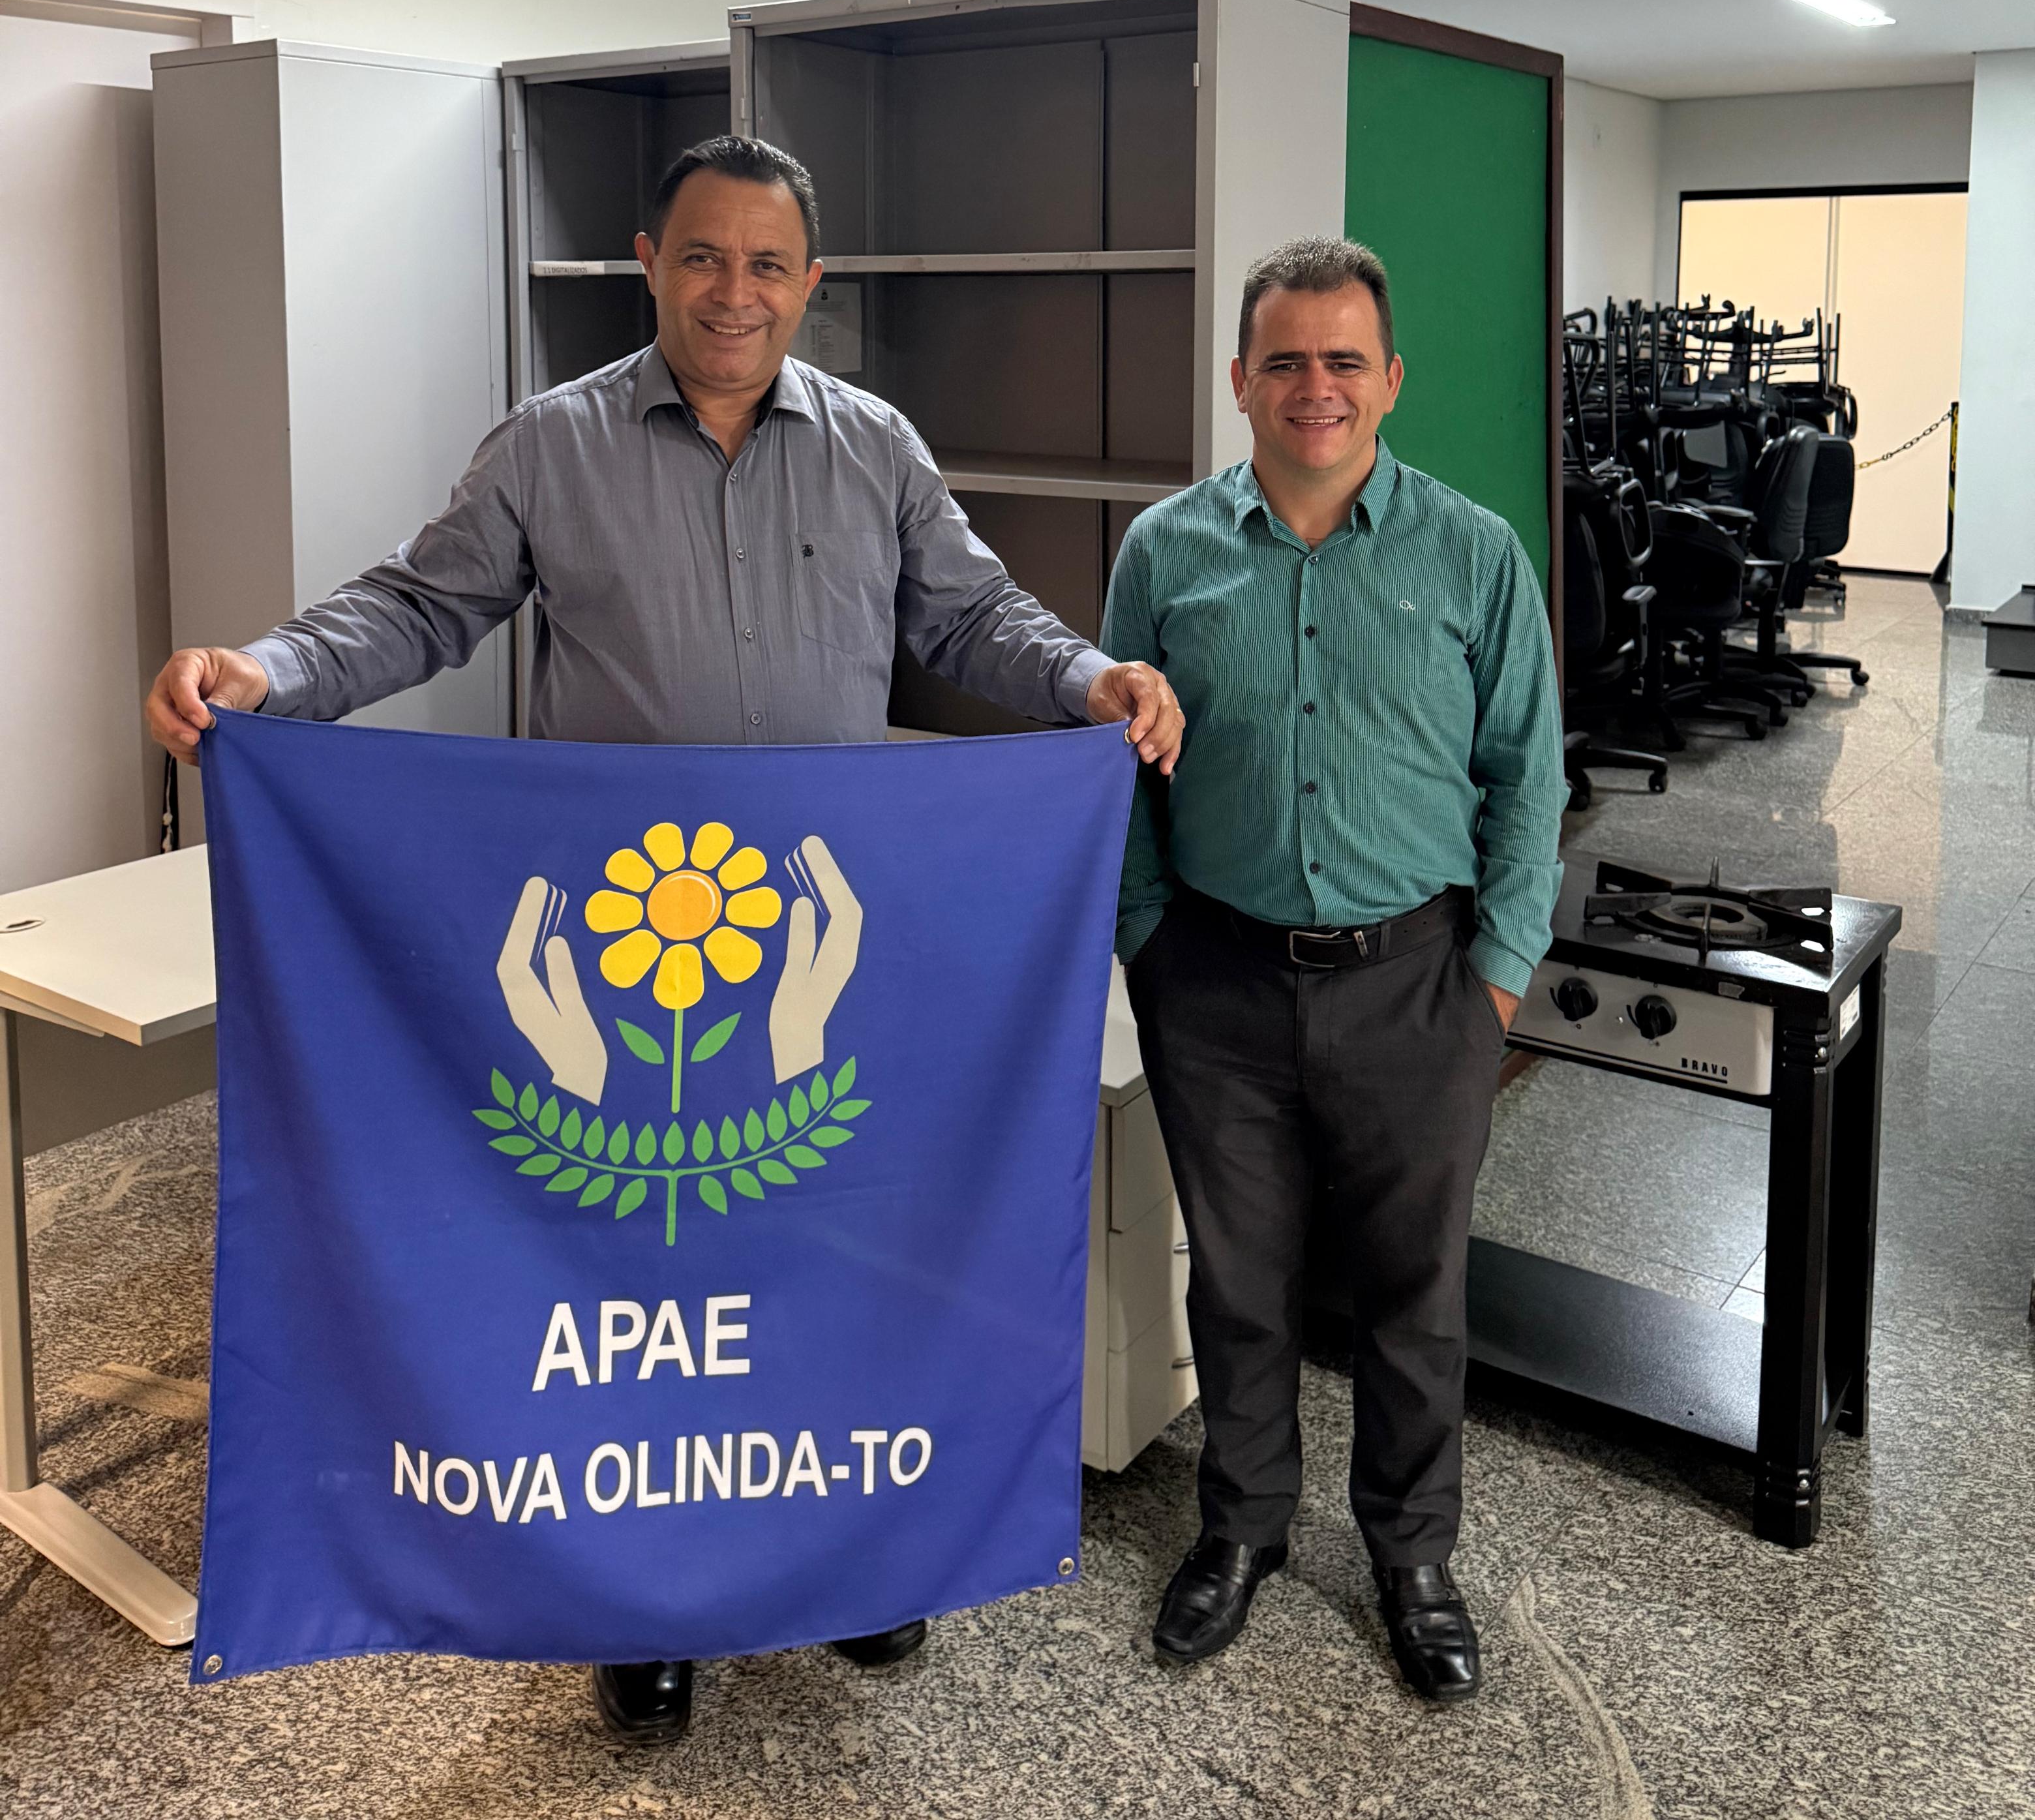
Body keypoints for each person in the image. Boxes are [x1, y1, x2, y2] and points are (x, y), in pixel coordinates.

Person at [147, 132, 1183, 1747]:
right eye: (705, 257)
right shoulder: (551, 447)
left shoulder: (876, 446)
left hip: (812, 950)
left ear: (811, 284)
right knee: (659, 1274)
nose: (735, 292)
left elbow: (969, 615)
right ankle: (647, 1600)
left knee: (829, 1251)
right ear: (648, 258)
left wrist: (1087, 682)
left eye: (769, 264)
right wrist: (267, 672)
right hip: (637, 964)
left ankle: (847, 1555)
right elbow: (421, 607)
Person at [1100, 234, 1561, 1703]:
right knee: (1237, 1283)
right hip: (1215, 981)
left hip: (1416, 981)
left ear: (1391, 379)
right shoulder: (1163, 552)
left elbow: (1526, 781)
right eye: (1285, 360)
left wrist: (1493, 975)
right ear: (1240, 379)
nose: (1316, 387)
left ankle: (1413, 1557)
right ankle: (1240, 1530)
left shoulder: (1474, 552)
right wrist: (1147, 944)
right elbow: (1116, 774)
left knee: (1411, 1291)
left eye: (1343, 360)